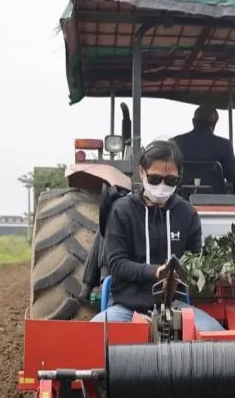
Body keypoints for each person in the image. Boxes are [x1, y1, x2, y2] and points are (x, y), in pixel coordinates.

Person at [92, 139, 224, 333]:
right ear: (141, 173)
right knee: (90, 336)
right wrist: (157, 272)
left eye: (170, 181)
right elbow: (117, 265)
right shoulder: (121, 211)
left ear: (179, 178)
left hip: (176, 307)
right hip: (128, 308)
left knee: (217, 336)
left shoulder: (187, 214)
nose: (162, 185)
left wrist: (210, 272)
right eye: (155, 179)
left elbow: (194, 259)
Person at [171, 105, 235, 195]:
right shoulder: (223, 145)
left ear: (193, 122)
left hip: (180, 200)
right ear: (214, 124)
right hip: (216, 201)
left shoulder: (175, 143)